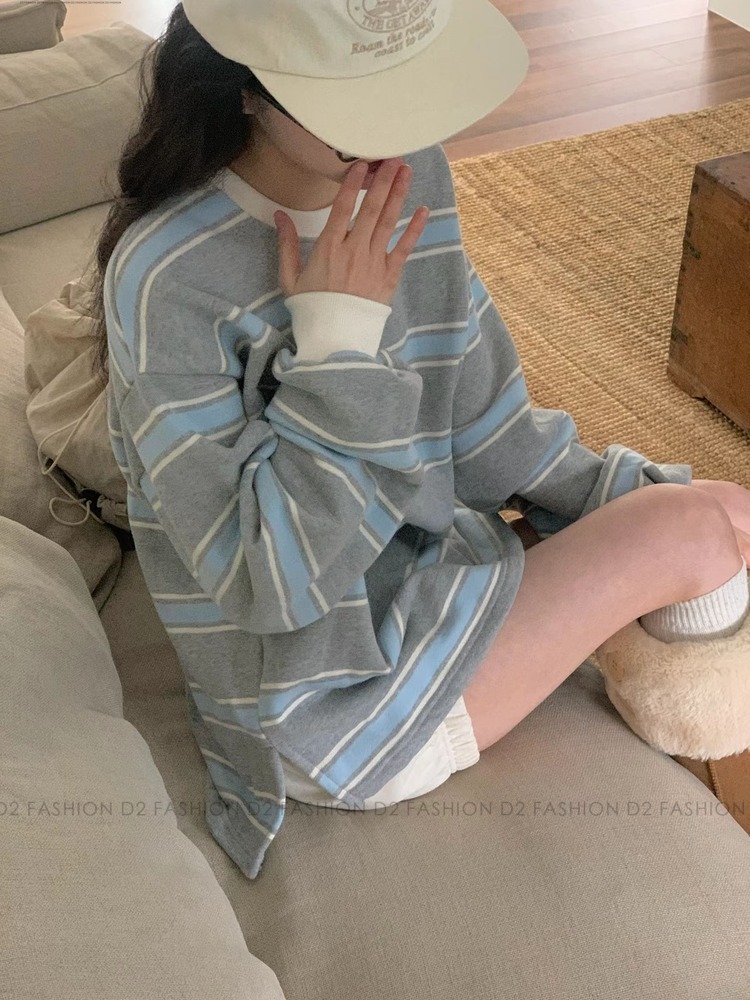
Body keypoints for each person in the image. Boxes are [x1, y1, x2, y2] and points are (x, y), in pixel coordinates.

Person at [80, 0, 750, 880]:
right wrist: (339, 348)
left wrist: (619, 494)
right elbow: (269, 584)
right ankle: (708, 746)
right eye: (354, 101)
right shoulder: (169, 276)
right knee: (696, 530)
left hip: (427, 582)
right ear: (242, 85)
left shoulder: (409, 172)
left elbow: (481, 427)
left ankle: (673, 693)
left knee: (713, 510)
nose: (394, 133)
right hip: (325, 706)